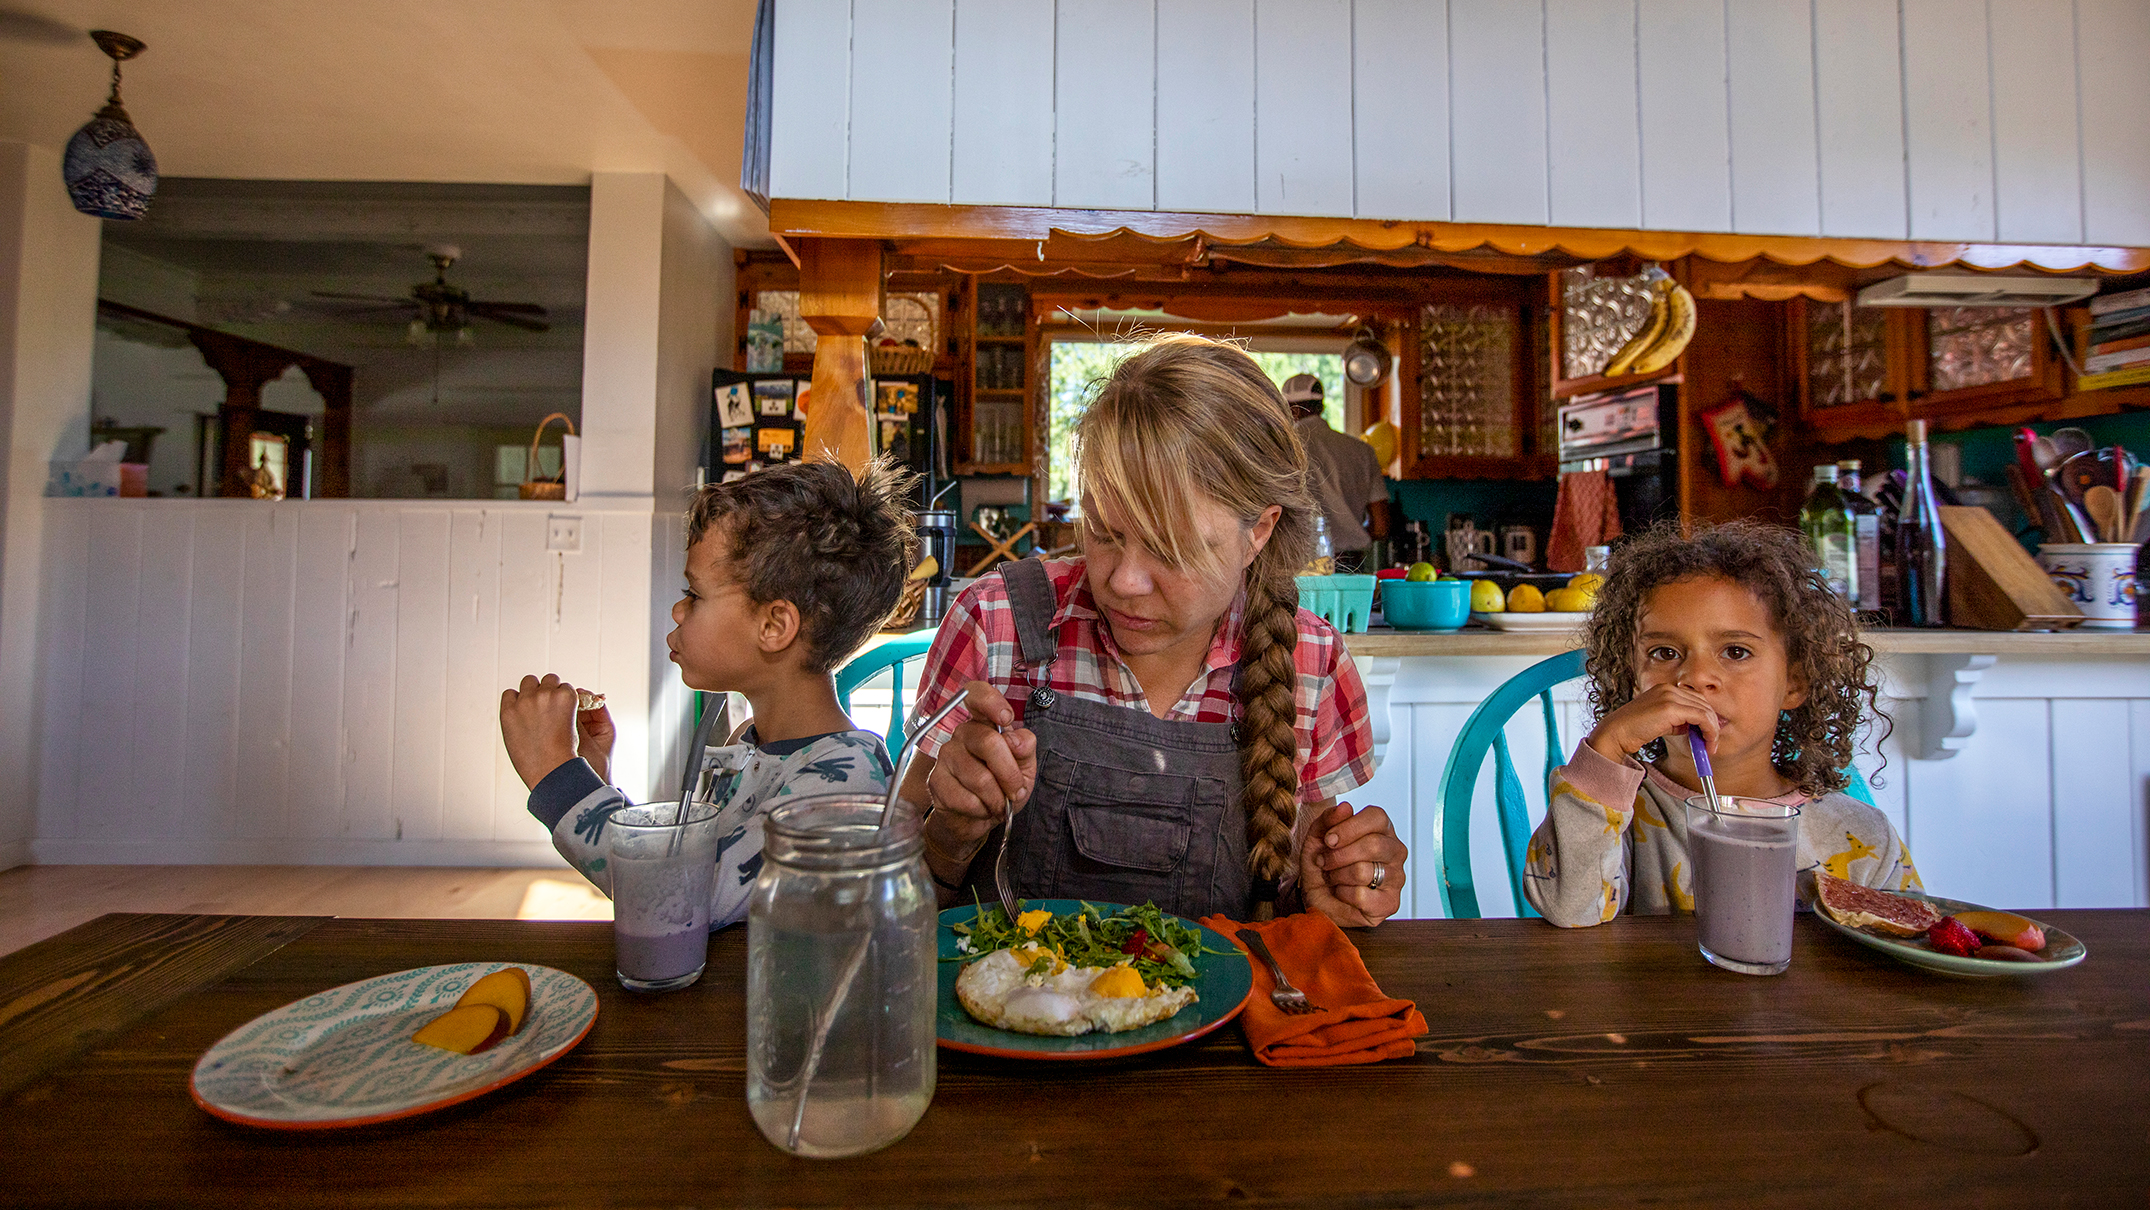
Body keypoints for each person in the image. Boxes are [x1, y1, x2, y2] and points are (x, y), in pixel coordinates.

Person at [901, 334, 1406, 927]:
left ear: (1259, 532)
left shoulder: (1310, 662)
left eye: (1170, 548)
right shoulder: (996, 623)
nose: (1123, 581)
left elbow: (1292, 911)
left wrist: (1335, 893)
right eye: (1105, 531)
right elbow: (886, 902)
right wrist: (949, 837)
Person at [499, 460, 917, 929]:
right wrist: (595, 777)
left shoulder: (844, 787)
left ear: (774, 626)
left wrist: (556, 777)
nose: (679, 609)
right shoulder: (748, 743)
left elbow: (679, 899)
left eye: (694, 594)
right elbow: (687, 859)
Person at [1522, 521, 1920, 926]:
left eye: (1735, 651)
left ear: (1795, 682)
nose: (1695, 676)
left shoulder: (1860, 836)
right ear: (1631, 678)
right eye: (1663, 652)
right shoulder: (1614, 817)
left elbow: (1909, 951)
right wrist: (1608, 745)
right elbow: (1568, 908)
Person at [1281, 373, 1391, 573]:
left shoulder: (1283, 447)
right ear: (1321, 407)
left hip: (1301, 565)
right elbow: (1381, 525)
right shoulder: (1362, 450)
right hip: (1353, 564)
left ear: (1292, 409)